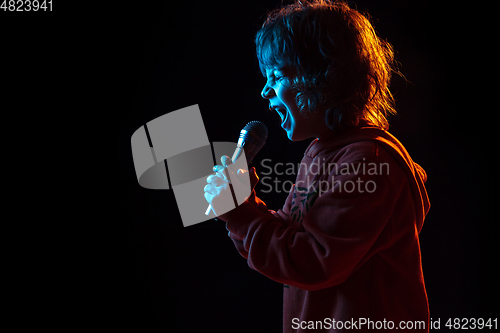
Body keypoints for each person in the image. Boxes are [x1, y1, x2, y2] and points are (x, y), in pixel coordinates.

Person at [204, 1, 431, 332]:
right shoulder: (323, 152)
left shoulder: (369, 161)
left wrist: (240, 214)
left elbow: (314, 262)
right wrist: (243, 206)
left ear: (324, 76)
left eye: (277, 75)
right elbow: (292, 237)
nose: (265, 90)